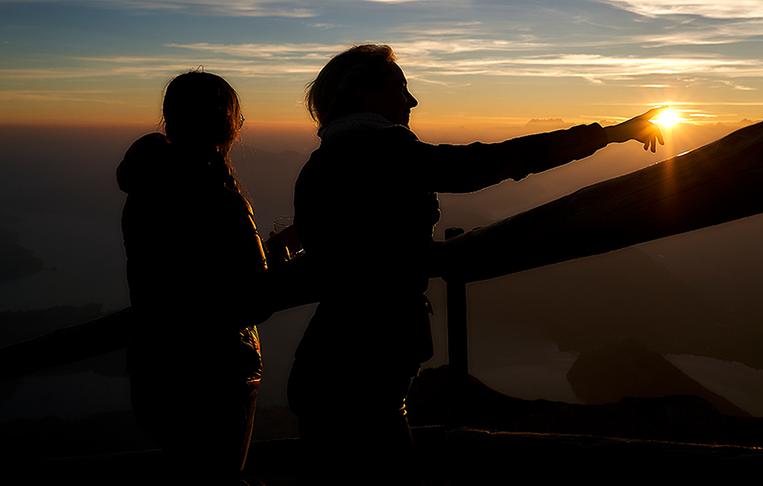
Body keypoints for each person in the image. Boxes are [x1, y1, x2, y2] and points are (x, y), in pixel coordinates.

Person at [286, 44, 664, 481]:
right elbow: (488, 163)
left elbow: (348, 242)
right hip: (366, 365)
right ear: (364, 94)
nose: (412, 101)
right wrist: (609, 133)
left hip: (331, 361)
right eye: (400, 88)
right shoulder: (383, 150)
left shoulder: (325, 161)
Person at [117, 71, 274, 483]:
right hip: (218, 372)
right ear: (226, 121)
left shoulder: (145, 183)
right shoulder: (215, 190)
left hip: (156, 366)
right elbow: (255, 296)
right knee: (218, 479)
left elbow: (182, 270)